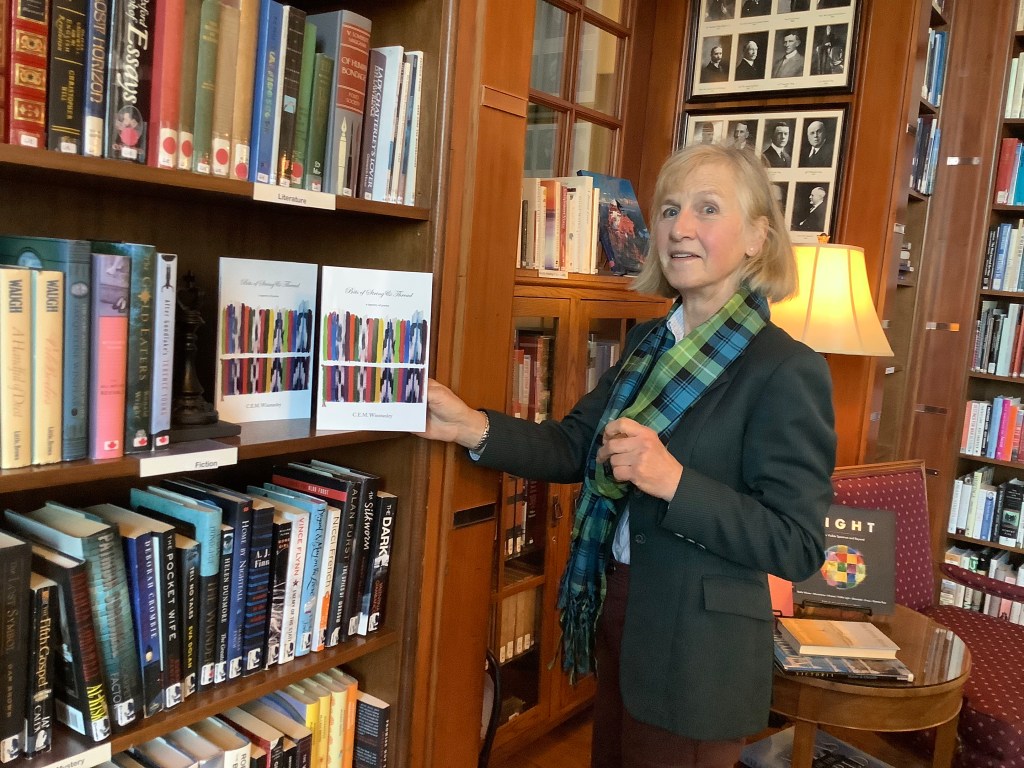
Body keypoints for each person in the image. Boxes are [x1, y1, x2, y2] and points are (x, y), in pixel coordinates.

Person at [419, 144, 836, 768]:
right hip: (620, 613)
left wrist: (674, 482)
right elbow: (574, 447)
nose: (680, 227)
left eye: (708, 208)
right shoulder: (646, 345)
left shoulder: (786, 369)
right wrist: (469, 426)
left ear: (758, 237)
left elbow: (796, 545)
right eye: (669, 209)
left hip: (698, 655)